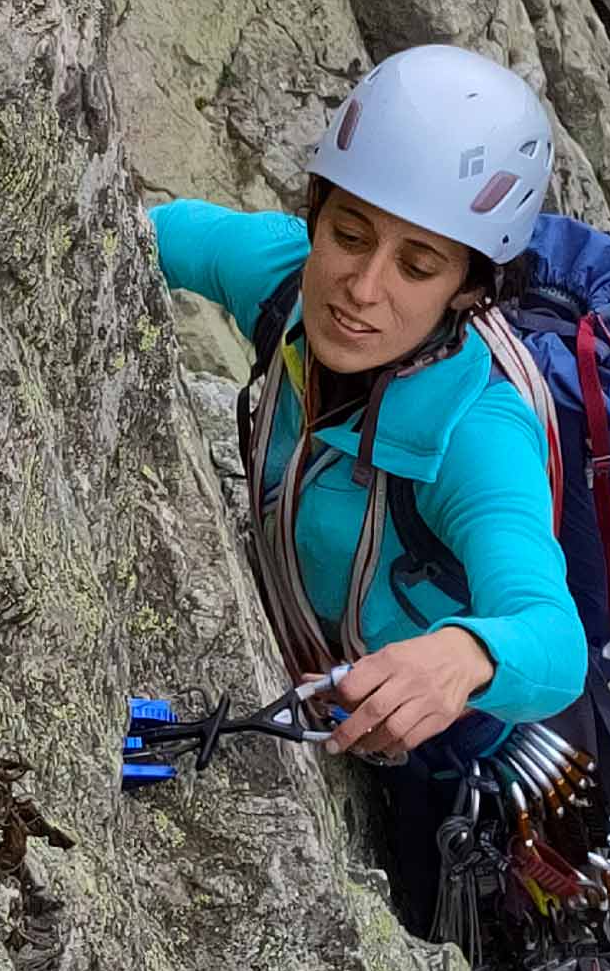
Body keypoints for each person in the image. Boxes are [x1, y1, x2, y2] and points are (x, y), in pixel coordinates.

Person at [147, 44, 587, 767]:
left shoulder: (476, 434)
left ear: (469, 291)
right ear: (316, 215)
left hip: (433, 737)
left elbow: (553, 638)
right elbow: (131, 228)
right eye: (350, 235)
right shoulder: (284, 277)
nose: (362, 286)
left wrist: (462, 655)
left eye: (417, 266)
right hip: (296, 641)